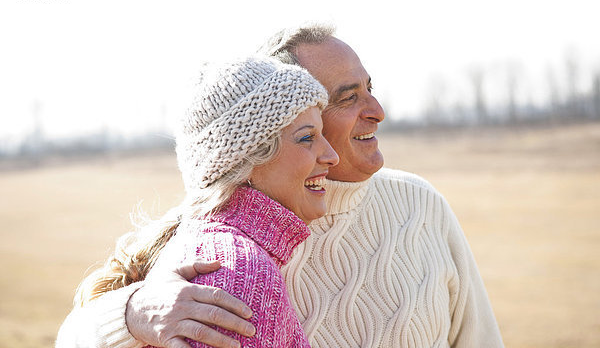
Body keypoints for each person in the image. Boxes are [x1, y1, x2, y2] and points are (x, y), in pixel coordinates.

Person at [57, 24, 504, 347]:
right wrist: (132, 314)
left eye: (370, 88)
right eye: (347, 97)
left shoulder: (421, 205)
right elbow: (71, 338)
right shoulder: (219, 246)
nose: (377, 110)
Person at [56, 55, 340, 347]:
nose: (332, 156)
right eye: (307, 138)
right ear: (246, 161)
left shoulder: (219, 249)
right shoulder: (238, 274)